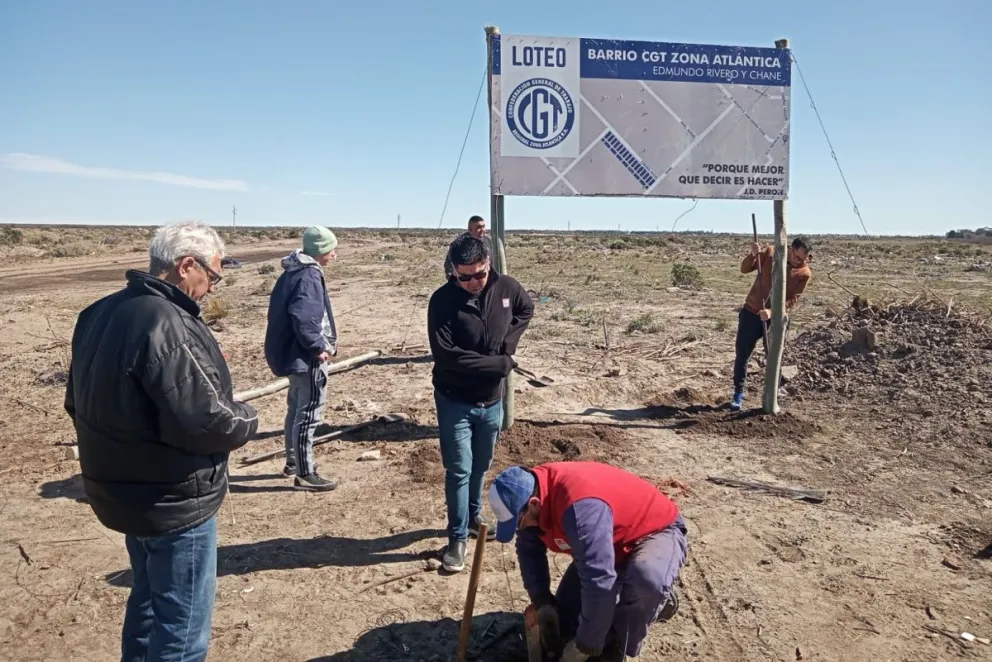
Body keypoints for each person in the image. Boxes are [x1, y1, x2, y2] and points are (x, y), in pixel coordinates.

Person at [64, 221, 259, 662]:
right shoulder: (167, 322)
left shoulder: (98, 312)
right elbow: (205, 420)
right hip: (174, 500)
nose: (212, 287)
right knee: (182, 630)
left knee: (149, 602)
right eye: (213, 275)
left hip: (122, 493)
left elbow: (76, 403)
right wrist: (248, 418)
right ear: (186, 265)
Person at [489, 462, 688, 662]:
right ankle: (628, 602)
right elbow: (529, 550)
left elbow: (598, 580)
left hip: (653, 532)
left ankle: (652, 607)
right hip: (605, 542)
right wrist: (542, 600)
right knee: (567, 622)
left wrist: (585, 645)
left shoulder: (579, 509)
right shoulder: (532, 494)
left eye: (520, 522)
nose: (522, 528)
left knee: (645, 582)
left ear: (534, 504)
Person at [427, 233, 533, 572]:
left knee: (482, 464)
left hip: (492, 401)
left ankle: (474, 517)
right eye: (465, 276)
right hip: (455, 400)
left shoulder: (507, 288)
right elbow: (447, 355)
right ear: (453, 271)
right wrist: (499, 365)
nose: (474, 282)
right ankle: (457, 538)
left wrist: (508, 346)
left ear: (489, 263)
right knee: (459, 469)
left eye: (480, 274)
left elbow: (526, 309)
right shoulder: (442, 301)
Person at [264, 226, 340, 491]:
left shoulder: (293, 271)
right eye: (331, 249)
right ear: (320, 250)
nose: (334, 255)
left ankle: (293, 462)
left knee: (296, 409)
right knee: (308, 413)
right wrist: (318, 347)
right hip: (306, 357)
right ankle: (305, 473)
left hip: (294, 355)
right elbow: (305, 318)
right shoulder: (308, 275)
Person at [730, 236, 812, 410]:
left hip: (775, 319)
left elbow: (792, 300)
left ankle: (774, 390)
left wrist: (772, 312)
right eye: (797, 257)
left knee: (774, 355)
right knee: (742, 354)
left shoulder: (804, 273)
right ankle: (738, 392)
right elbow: (744, 269)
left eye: (803, 259)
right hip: (751, 313)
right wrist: (753, 255)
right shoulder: (769, 253)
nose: (799, 262)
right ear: (790, 248)